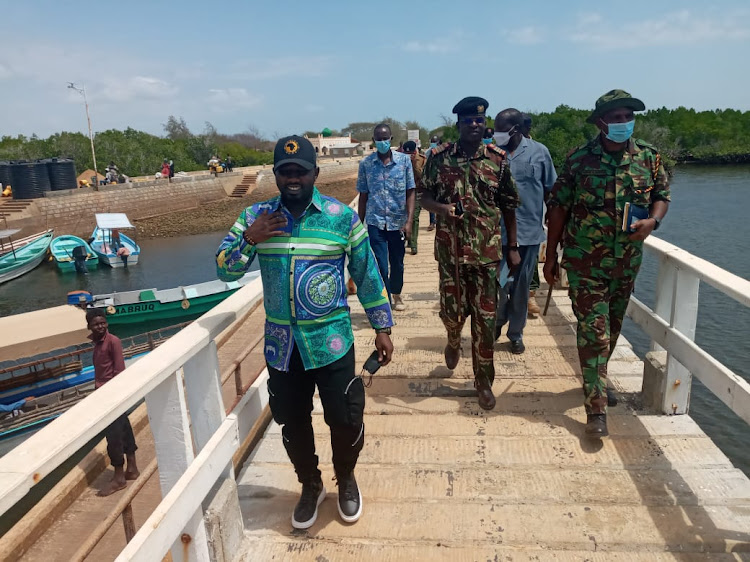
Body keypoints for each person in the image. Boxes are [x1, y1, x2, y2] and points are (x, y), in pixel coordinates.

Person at [216, 135, 394, 529]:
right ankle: (310, 484)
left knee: (345, 418)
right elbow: (224, 269)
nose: (293, 178)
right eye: (285, 171)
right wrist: (252, 237)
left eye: (300, 171)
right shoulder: (254, 217)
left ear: (315, 172)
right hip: (283, 347)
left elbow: (366, 273)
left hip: (331, 341)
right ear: (276, 176)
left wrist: (382, 326)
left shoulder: (340, 217)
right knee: (292, 423)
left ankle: (345, 479)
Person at [544, 89, 670, 437]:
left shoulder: (649, 157)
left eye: (628, 116)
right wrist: (551, 254)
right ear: (600, 122)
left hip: (626, 262)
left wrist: (653, 223)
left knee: (612, 328)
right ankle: (596, 408)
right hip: (585, 263)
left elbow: (661, 196)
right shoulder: (579, 159)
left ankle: (595, 379)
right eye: (615, 117)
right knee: (593, 331)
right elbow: (558, 208)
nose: (623, 122)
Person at [420, 96, 520, 411]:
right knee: (452, 313)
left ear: (484, 123)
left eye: (479, 120)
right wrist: (442, 208)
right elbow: (423, 196)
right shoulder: (438, 158)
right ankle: (452, 338)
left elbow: (508, 205)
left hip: (486, 255)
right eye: (468, 121)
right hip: (450, 254)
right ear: (459, 124)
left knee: (486, 321)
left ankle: (484, 381)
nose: (474, 125)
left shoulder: (498, 159)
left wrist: (513, 247)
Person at [493, 108, 557, 354]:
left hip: (528, 234)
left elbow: (551, 190)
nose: (497, 135)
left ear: (516, 130)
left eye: (501, 130)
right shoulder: (491, 154)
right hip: (495, 234)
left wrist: (554, 224)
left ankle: (516, 333)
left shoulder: (540, 153)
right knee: (496, 286)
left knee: (521, 289)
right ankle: (497, 323)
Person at [356, 123, 416, 311]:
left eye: (385, 138)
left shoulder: (404, 162)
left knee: (397, 263)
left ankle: (397, 293)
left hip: (398, 222)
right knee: (381, 264)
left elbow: (410, 192)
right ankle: (386, 299)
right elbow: (363, 196)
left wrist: (409, 221)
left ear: (390, 139)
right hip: (375, 223)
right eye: (378, 139)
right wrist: (358, 225)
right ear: (374, 141)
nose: (382, 142)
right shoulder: (366, 165)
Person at [87, 309, 139, 496]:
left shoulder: (113, 342)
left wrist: (114, 395)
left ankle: (119, 478)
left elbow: (119, 371)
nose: (101, 326)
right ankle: (132, 468)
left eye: (103, 323)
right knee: (124, 428)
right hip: (103, 392)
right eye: (96, 324)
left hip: (111, 394)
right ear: (89, 327)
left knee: (113, 436)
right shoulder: (96, 343)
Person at [402, 141, 426, 256]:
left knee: (414, 217)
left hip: (416, 191)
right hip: (402, 192)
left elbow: (423, 176)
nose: (408, 155)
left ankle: (414, 244)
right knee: (404, 216)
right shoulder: (398, 159)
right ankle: (408, 239)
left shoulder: (422, 160)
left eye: (410, 153)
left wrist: (415, 164)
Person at [424, 135, 441, 231]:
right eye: (432, 141)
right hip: (432, 179)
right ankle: (432, 222)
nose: (433, 143)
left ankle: (439, 221)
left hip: (441, 180)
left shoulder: (444, 152)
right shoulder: (428, 152)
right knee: (432, 201)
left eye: (435, 141)